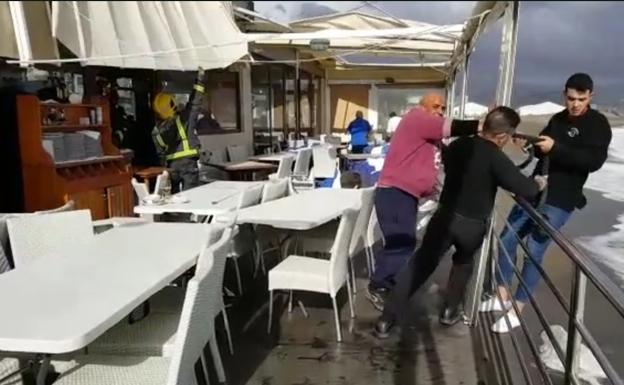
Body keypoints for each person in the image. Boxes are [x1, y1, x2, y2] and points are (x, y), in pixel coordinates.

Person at [374, 107, 546, 338]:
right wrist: (540, 182)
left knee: (420, 265)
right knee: (463, 264)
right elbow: (524, 188)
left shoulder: (459, 145)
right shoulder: (496, 158)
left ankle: (386, 319)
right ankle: (449, 311)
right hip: (473, 225)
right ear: (503, 136)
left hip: (445, 216)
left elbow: (447, 159)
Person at [480, 73, 612, 333]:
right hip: (535, 189)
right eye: (571, 98)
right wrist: (529, 145)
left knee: (534, 249)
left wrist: (557, 149)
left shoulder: (598, 124)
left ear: (590, 96)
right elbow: (543, 147)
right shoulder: (557, 119)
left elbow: (593, 162)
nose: (575, 104)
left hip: (561, 198)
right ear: (565, 94)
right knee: (507, 238)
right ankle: (502, 295)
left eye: (581, 99)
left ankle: (518, 308)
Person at [366, 93, 484, 311]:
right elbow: (455, 127)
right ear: (422, 107)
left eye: (443, 108)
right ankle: (378, 286)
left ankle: (389, 282)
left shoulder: (430, 136)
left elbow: (448, 157)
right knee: (401, 242)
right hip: (395, 191)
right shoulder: (416, 119)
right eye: (435, 106)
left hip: (406, 194)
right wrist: (483, 126)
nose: (440, 111)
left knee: (402, 242)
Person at [152, 69, 207, 193]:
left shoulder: (156, 132)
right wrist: (200, 80)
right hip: (188, 163)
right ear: (172, 104)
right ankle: (188, 213)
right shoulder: (184, 119)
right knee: (191, 196)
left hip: (172, 166)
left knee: (175, 197)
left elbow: (160, 153)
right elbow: (195, 103)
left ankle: (176, 213)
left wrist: (166, 167)